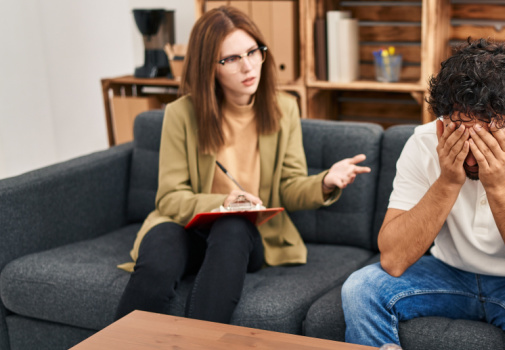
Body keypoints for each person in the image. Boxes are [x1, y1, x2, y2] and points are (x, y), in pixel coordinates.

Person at [115, 6, 370, 324]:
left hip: (242, 237)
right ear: (210, 67)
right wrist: (222, 201)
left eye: (253, 52)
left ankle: (201, 343)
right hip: (185, 225)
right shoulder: (182, 114)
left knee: (234, 225)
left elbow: (288, 188)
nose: (248, 66)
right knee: (158, 258)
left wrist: (325, 182)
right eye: (231, 59)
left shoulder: (284, 109)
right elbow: (169, 198)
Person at [341, 38, 505, 349]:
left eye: (488, 134)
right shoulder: (422, 142)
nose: (472, 153)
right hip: (448, 271)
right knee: (360, 288)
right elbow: (393, 260)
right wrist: (447, 181)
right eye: (459, 130)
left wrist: (498, 185)